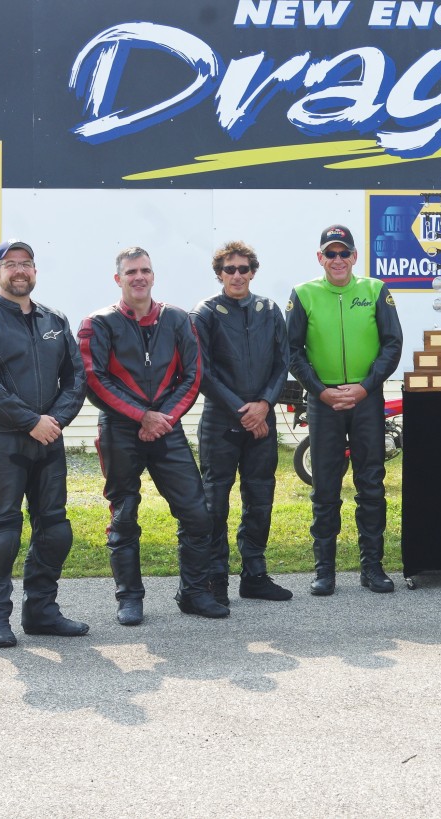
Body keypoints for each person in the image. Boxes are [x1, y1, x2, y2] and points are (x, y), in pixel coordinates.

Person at [78, 246, 228, 625]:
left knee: (198, 514)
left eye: (145, 270)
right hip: (119, 430)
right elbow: (95, 379)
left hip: (167, 428)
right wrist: (141, 416)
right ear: (119, 279)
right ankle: (129, 599)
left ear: (153, 275)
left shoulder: (177, 319)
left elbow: (193, 375)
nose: (139, 277)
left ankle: (193, 593)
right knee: (124, 515)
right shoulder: (97, 323)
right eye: (131, 272)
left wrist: (162, 418)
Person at [0, 240, 88, 648]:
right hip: (0, 440)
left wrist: (53, 422)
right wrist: (30, 421)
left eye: (26, 264)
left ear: (35, 271)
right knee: (4, 532)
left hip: (48, 437)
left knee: (56, 529)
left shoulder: (55, 319)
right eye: (10, 264)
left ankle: (41, 611)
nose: (19, 271)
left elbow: (76, 379)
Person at [286, 224, 403, 596]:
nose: (338, 260)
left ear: (354, 256)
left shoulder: (375, 290)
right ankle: (325, 571)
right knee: (325, 487)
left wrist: (366, 386)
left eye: (344, 253)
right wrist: (320, 392)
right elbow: (292, 351)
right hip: (324, 403)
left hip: (366, 400)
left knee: (371, 484)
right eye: (330, 254)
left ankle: (373, 568)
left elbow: (392, 344)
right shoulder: (303, 295)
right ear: (320, 258)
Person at [191, 241, 292, 606]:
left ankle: (255, 575)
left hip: (262, 421)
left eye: (244, 268)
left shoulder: (269, 309)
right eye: (230, 269)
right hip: (222, 422)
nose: (237, 275)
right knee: (215, 501)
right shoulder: (204, 313)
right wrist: (242, 411)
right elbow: (202, 371)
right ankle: (215, 578)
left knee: (260, 498)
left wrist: (264, 404)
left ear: (253, 271)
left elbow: (283, 363)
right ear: (219, 273)